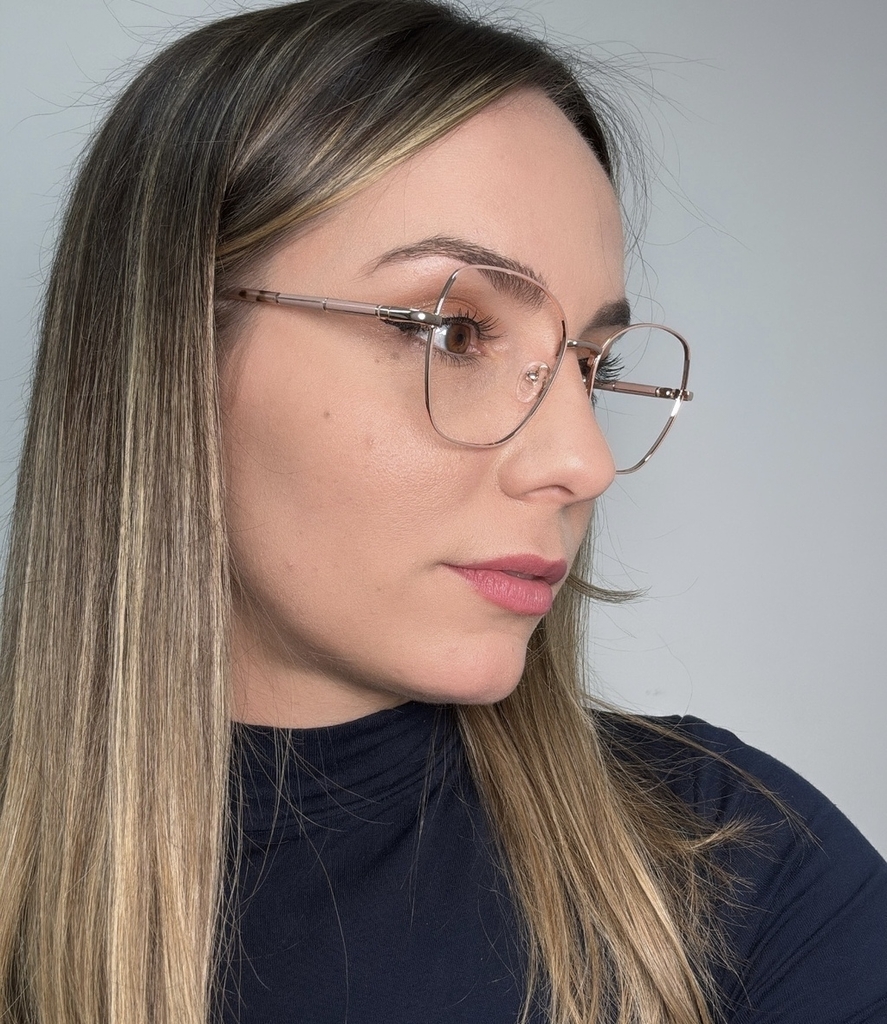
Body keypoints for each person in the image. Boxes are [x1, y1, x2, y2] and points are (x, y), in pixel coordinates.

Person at [0, 2, 884, 1023]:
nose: (584, 462)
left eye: (592, 368)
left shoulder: (733, 869)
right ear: (169, 351)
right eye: (453, 332)